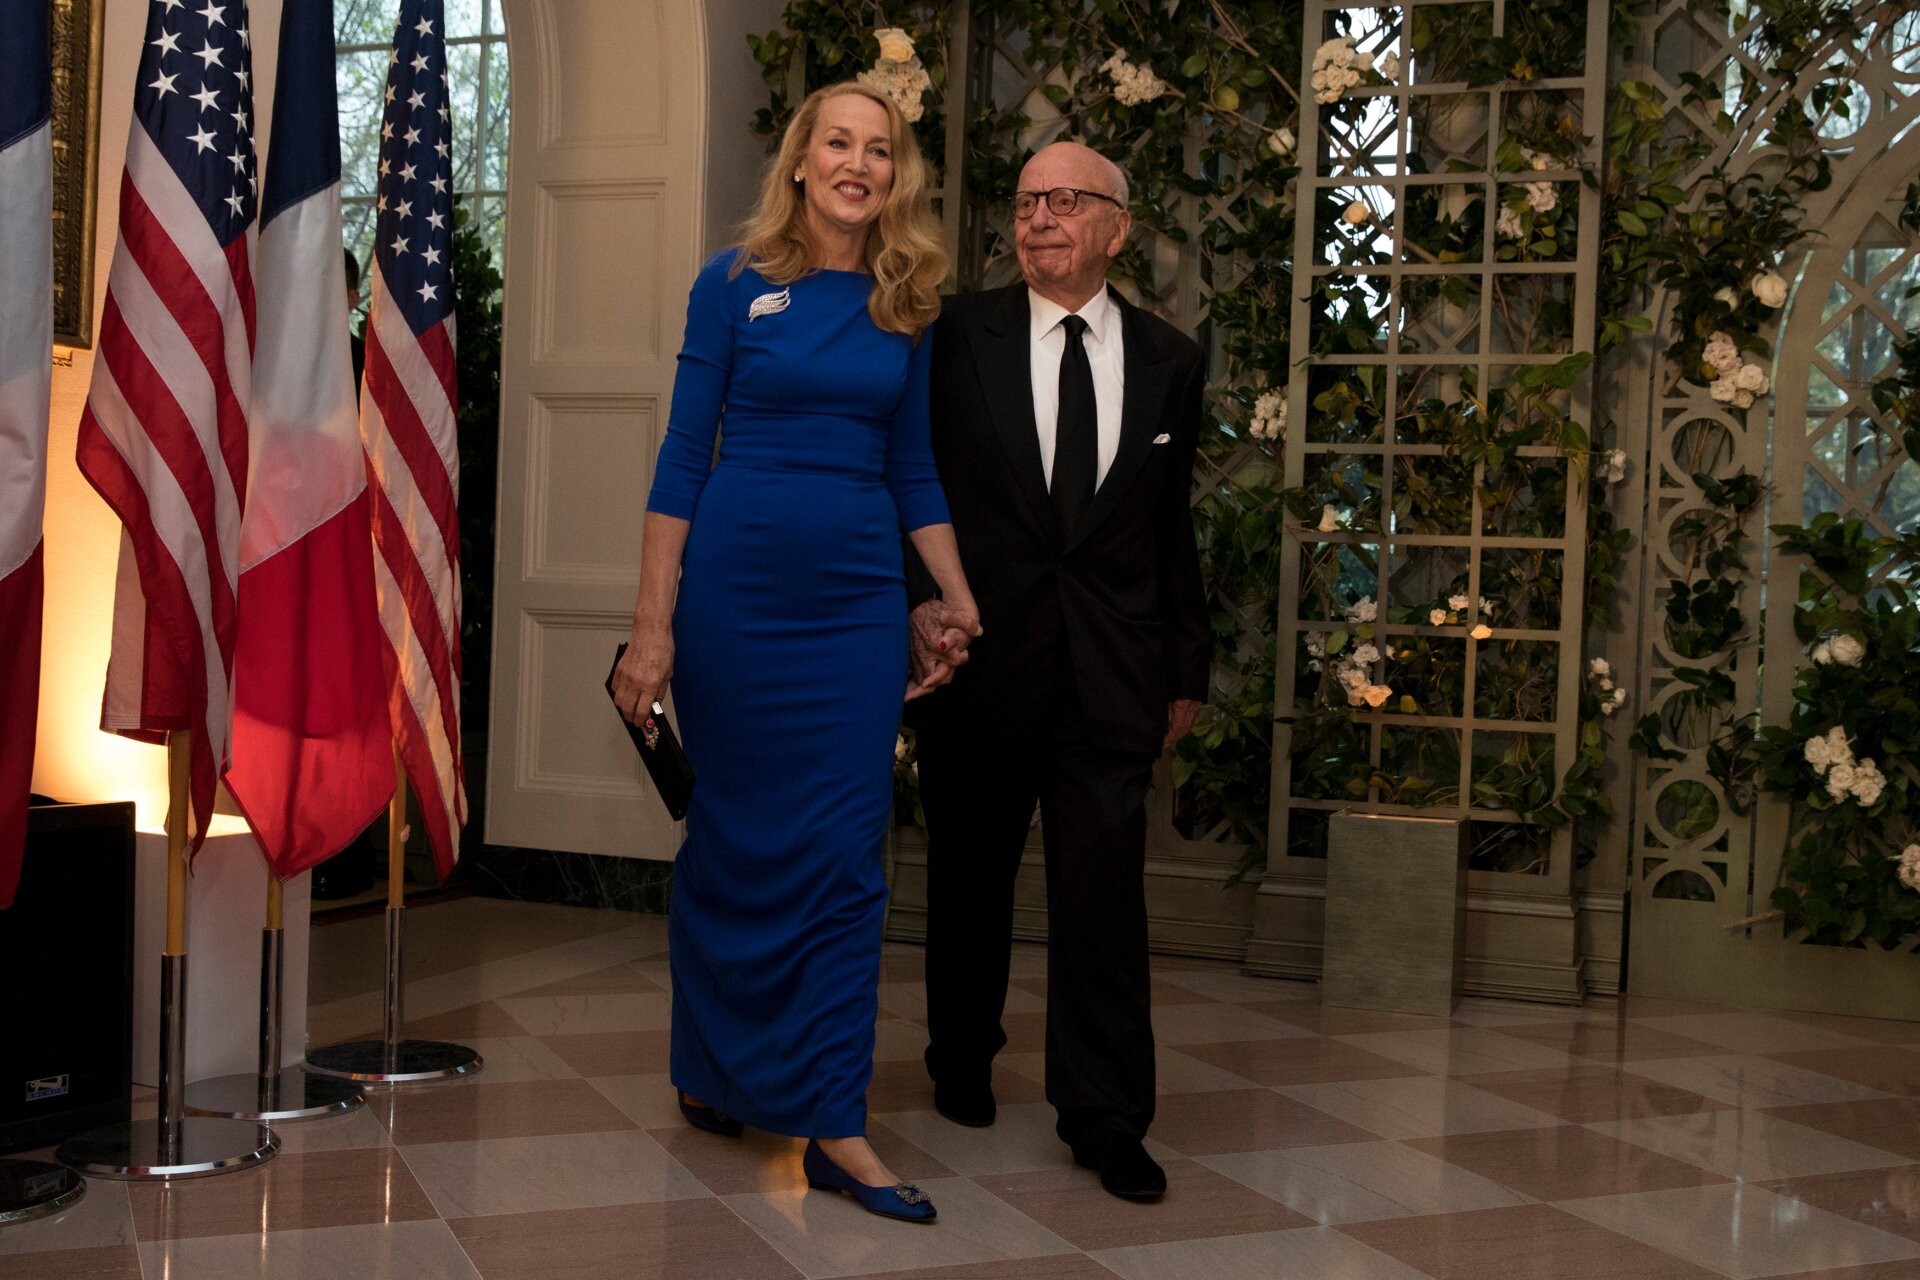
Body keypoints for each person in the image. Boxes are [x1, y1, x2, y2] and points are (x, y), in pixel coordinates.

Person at [609, 82, 978, 1224]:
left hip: (856, 609)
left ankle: (833, 1120)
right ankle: (714, 1064)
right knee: (731, 837)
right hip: (733, 597)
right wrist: (653, 625)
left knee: (842, 858)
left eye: (880, 149)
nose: (858, 164)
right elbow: (682, 457)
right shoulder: (730, 286)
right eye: (839, 142)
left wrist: (958, 597)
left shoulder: (906, 299)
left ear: (896, 174)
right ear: (802, 160)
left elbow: (913, 470)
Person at [905, 141, 1210, 1201]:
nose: (1042, 218)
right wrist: (918, 608)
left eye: (1068, 201)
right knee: (970, 876)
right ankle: (960, 1058)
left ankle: (1107, 1114)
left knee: (1103, 900)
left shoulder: (1172, 355)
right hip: (980, 659)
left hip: (1114, 671)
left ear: (1117, 228)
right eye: (1030, 201)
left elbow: (1170, 529)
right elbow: (914, 485)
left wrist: (1185, 665)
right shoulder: (953, 339)